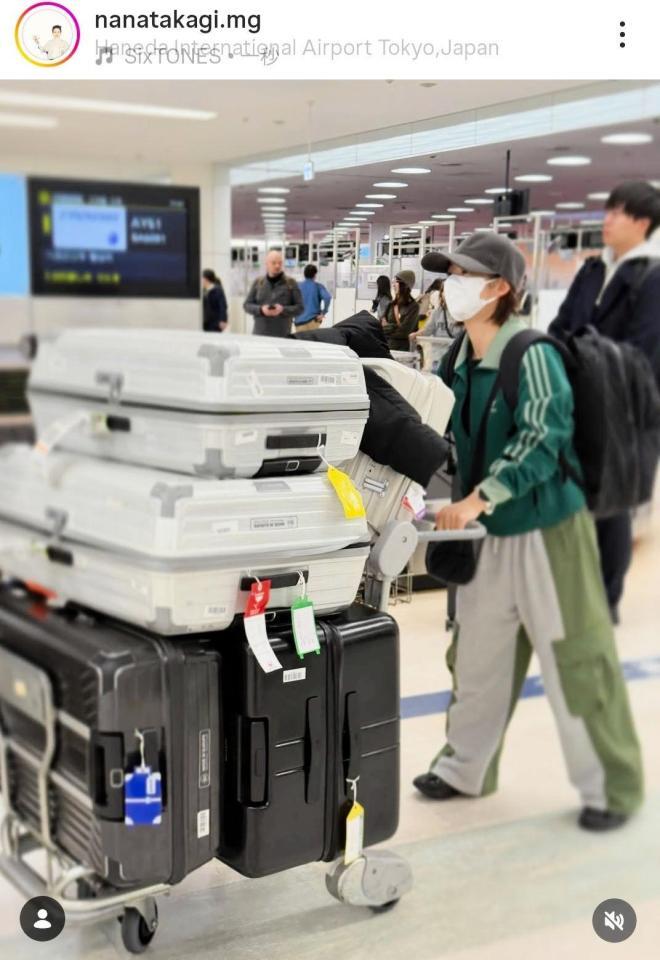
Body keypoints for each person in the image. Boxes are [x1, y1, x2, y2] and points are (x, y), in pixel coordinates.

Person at [413, 233, 643, 832]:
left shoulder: (530, 353)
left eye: (463, 275)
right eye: (448, 274)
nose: (450, 286)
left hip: (548, 531)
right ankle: (464, 768)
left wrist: (478, 498)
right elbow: (441, 432)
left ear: (499, 288)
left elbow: (543, 438)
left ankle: (613, 786)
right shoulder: (457, 360)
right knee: (475, 658)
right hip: (485, 535)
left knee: (577, 658)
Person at [549, 181, 660, 623]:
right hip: (575, 401)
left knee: (611, 503)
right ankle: (573, 593)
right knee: (572, 496)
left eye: (618, 212)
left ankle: (604, 601)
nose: (607, 219)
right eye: (607, 210)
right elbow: (561, 326)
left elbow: (644, 352)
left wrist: (587, 357)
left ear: (643, 222)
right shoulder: (593, 269)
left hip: (623, 409)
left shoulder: (651, 277)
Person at [244, 250, 304, 337]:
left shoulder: (291, 283)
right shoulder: (258, 282)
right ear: (267, 264)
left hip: (282, 335)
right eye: (273, 263)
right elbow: (247, 305)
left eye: (280, 263)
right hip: (260, 335)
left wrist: (282, 310)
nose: (277, 266)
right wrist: (261, 310)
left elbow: (300, 307)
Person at [410, 277, 462, 371]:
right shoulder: (437, 312)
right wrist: (415, 334)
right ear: (441, 294)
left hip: (456, 359)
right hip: (438, 358)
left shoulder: (464, 314)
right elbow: (428, 330)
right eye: (444, 291)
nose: (447, 294)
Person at [381, 270, 420, 351]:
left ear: (405, 285)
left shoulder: (413, 307)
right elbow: (381, 326)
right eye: (393, 282)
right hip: (387, 348)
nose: (393, 285)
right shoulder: (391, 305)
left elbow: (404, 332)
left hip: (404, 350)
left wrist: (388, 327)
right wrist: (395, 326)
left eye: (396, 282)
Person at [294, 264, 332, 333]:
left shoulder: (297, 286)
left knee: (300, 339)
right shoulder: (318, 286)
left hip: (299, 322)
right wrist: (324, 312)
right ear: (315, 275)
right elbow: (327, 297)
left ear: (304, 274)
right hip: (312, 321)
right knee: (312, 339)